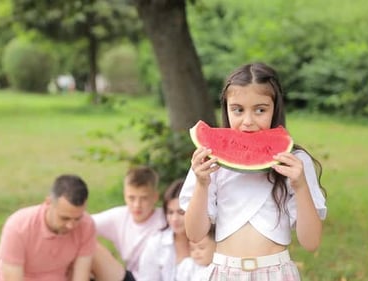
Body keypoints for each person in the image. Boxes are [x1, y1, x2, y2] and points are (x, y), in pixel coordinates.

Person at [180, 62, 327, 280]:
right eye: (237, 110)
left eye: (260, 110)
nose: (248, 122)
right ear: (226, 108)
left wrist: (301, 185)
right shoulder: (209, 161)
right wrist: (202, 184)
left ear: (275, 109)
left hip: (276, 272)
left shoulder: (295, 163)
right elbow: (194, 234)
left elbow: (311, 242)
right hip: (224, 272)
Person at [0, 174, 97, 281]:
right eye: (64, 218)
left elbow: (81, 275)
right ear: (48, 203)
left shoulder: (86, 225)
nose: (71, 225)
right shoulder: (18, 226)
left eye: (77, 218)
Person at [90, 166, 166, 281]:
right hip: (130, 277)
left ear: (155, 197)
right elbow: (83, 223)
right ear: (125, 195)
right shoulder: (118, 216)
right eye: (131, 198)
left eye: (144, 198)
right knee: (91, 248)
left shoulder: (166, 220)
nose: (137, 205)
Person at [138, 178, 191, 281]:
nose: (174, 219)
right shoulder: (156, 244)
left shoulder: (210, 242)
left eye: (181, 212)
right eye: (170, 212)